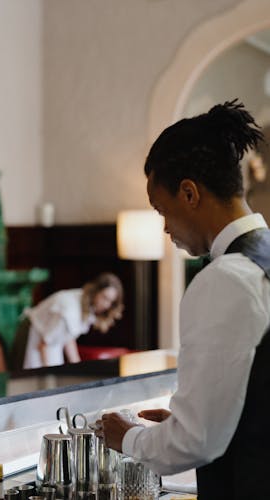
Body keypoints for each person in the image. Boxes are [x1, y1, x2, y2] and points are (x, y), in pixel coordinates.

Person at [99, 100, 270, 498]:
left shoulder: (226, 279)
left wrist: (126, 438)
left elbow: (197, 442)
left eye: (163, 209)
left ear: (189, 193)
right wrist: (182, 423)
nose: (165, 228)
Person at [15, 272, 123, 369]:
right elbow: (43, 345)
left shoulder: (86, 305)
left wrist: (79, 368)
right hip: (32, 339)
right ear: (95, 291)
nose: (107, 305)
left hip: (50, 345)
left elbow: (69, 338)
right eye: (105, 298)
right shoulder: (69, 310)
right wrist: (48, 375)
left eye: (111, 302)